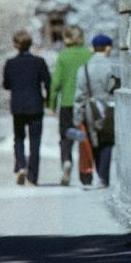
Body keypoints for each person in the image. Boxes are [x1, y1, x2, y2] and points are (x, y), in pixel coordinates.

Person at [2, 30, 51, 186]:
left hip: (18, 106)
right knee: (35, 141)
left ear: (16, 45)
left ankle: (21, 165)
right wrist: (48, 101)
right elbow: (48, 82)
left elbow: (6, 85)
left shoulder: (10, 63)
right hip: (35, 105)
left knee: (19, 138)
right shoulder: (39, 61)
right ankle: (33, 177)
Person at [48, 25, 93, 186]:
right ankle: (86, 174)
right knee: (84, 138)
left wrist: (51, 104)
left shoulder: (63, 56)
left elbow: (56, 83)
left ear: (66, 38)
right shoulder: (89, 54)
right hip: (85, 103)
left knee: (66, 136)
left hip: (67, 103)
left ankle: (66, 161)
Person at [73, 33, 118, 188]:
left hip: (90, 110)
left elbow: (80, 95)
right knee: (107, 141)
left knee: (94, 141)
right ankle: (103, 178)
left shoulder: (84, 68)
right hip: (110, 108)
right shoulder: (113, 67)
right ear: (108, 48)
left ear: (93, 49)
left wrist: (77, 118)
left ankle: (98, 175)